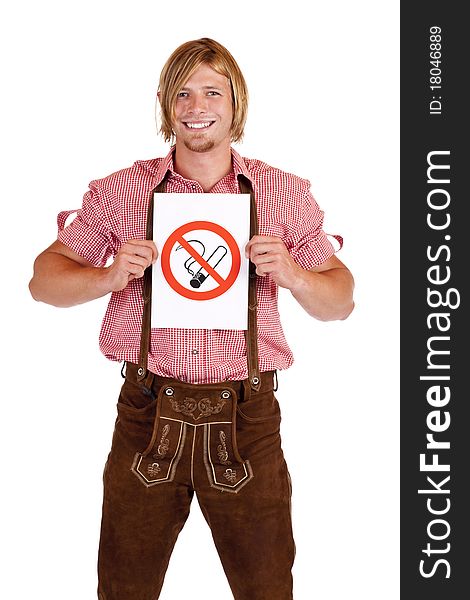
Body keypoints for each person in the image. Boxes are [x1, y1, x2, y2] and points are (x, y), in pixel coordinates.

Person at [29, 37, 354, 600]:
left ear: (237, 102)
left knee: (267, 590)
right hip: (147, 416)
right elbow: (43, 281)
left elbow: (342, 300)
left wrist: (294, 274)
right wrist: (106, 276)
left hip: (247, 420)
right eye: (182, 92)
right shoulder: (123, 191)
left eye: (212, 91)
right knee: (124, 590)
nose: (196, 105)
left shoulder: (281, 192)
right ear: (165, 103)